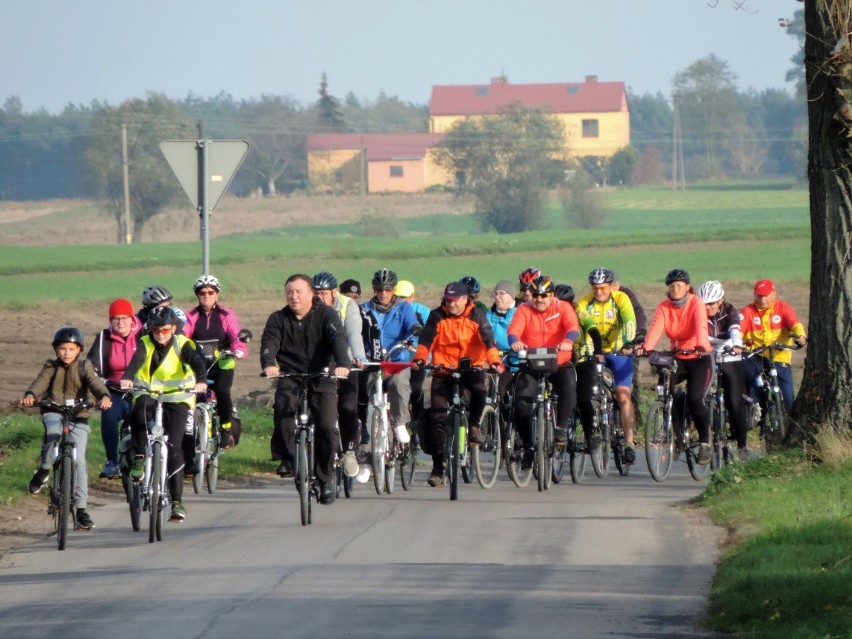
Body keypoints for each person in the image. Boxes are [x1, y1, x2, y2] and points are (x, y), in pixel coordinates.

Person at [260, 274, 352, 504]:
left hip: (322, 375)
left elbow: (338, 339)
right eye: (290, 292)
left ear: (311, 294)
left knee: (327, 426)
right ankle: (288, 458)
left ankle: (325, 478)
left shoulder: (326, 315)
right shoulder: (278, 318)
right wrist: (269, 364)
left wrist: (342, 364)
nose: (294, 296)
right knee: (282, 407)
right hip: (291, 374)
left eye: (299, 291)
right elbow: (269, 343)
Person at [412, 281, 504, 486]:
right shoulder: (437, 315)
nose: (451, 304)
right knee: (437, 415)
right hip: (443, 369)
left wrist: (495, 361)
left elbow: (488, 339)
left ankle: (474, 426)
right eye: (448, 300)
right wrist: (420, 359)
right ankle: (438, 467)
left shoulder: (477, 315)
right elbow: (426, 340)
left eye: (454, 301)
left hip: (471, 367)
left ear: (465, 300)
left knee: (480, 391)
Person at [120, 306, 207, 522]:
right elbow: (136, 361)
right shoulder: (145, 343)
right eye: (156, 330)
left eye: (165, 330)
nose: (160, 334)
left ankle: (177, 501)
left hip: (178, 397)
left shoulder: (182, 343)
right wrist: (128, 377)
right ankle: (140, 457)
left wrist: (202, 380)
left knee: (174, 448)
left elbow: (196, 362)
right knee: (138, 410)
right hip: (149, 392)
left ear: (174, 328)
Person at [21, 327, 112, 530]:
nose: (67, 353)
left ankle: (81, 510)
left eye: (71, 349)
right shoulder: (51, 366)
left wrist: (104, 397)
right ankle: (44, 470)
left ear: (78, 350)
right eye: (63, 349)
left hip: (79, 416)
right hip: (54, 410)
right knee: (52, 434)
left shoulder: (84, 366)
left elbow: (95, 384)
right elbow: (40, 383)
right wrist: (30, 395)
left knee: (79, 462)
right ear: (56, 350)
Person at [637, 269, 713, 465]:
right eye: (672, 286)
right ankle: (676, 431)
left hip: (699, 356)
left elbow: (701, 327)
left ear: (688, 287)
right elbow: (656, 329)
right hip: (678, 355)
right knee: (665, 387)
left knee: (696, 399)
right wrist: (646, 348)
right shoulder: (664, 307)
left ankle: (705, 442)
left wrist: (702, 345)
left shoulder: (696, 303)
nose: (675, 289)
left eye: (680, 285)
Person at [508, 275, 580, 469]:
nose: (539, 299)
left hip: (558, 361)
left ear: (552, 295)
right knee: (521, 403)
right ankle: (529, 446)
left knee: (568, 386)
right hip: (531, 363)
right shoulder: (524, 310)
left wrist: (568, 341)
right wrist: (515, 341)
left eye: (544, 295)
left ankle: (561, 428)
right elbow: (514, 330)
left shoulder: (562, 308)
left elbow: (573, 327)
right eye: (536, 295)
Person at [574, 268, 638, 463]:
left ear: (610, 286)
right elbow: (585, 324)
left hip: (619, 352)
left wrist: (628, 342)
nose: (599, 292)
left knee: (622, 394)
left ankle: (628, 443)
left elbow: (629, 321)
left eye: (603, 288)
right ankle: (593, 431)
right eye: (595, 289)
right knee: (589, 391)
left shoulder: (620, 299)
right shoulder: (585, 302)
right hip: (596, 353)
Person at [183, 274, 249, 457]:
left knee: (222, 390)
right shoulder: (191, 316)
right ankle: (192, 439)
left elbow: (236, 336)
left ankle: (226, 429)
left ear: (217, 294)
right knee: (194, 397)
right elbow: (183, 338)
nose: (207, 295)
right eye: (202, 292)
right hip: (198, 365)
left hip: (222, 364)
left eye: (211, 292)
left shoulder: (226, 315)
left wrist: (238, 349)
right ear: (197, 295)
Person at [313, 271, 367, 479]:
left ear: (334, 293)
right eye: (316, 293)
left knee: (347, 407)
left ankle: (350, 452)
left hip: (345, 361)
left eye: (324, 293)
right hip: (320, 365)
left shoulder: (347, 305)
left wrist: (358, 357)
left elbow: (354, 332)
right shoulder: (308, 307)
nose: (319, 297)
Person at [362, 269, 421, 436]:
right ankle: (362, 428)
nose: (383, 293)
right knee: (359, 389)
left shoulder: (404, 308)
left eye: (387, 289)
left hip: (396, 360)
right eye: (379, 289)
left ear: (394, 290)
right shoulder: (364, 308)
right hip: (371, 360)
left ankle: (399, 423)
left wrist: (416, 329)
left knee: (398, 383)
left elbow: (411, 323)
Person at [87, 298, 141, 479]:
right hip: (114, 389)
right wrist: (99, 381)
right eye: (116, 318)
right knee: (108, 413)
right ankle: (112, 461)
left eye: (124, 318)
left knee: (147, 419)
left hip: (140, 389)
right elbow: (92, 365)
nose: (120, 322)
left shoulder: (144, 335)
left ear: (132, 318)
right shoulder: (104, 338)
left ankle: (150, 458)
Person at [698, 280, 751, 460]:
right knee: (699, 395)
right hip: (708, 356)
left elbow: (735, 328)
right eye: (704, 304)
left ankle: (742, 446)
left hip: (730, 356)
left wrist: (736, 344)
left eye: (711, 304)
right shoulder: (699, 312)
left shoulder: (730, 311)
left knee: (734, 401)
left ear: (720, 301)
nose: (707, 308)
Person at [739, 279, 807, 413]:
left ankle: (786, 423)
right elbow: (738, 331)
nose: (762, 299)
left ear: (773, 294)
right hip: (756, 356)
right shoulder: (748, 311)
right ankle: (758, 415)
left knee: (788, 396)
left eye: (765, 296)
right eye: (759, 296)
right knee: (754, 386)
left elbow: (795, 324)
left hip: (779, 357)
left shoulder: (783, 308)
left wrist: (801, 336)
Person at [395, 279, 431, 423]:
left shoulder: (423, 312)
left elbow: (430, 336)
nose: (402, 301)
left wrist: (428, 356)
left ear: (412, 297)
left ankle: (417, 423)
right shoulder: (391, 312)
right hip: (397, 356)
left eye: (405, 298)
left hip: (418, 355)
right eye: (399, 298)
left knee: (415, 389)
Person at [485, 279, 519, 402]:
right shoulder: (488, 316)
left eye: (502, 293)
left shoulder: (520, 314)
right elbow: (485, 337)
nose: (498, 297)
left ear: (511, 295)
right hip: (497, 362)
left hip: (518, 364)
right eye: (496, 294)